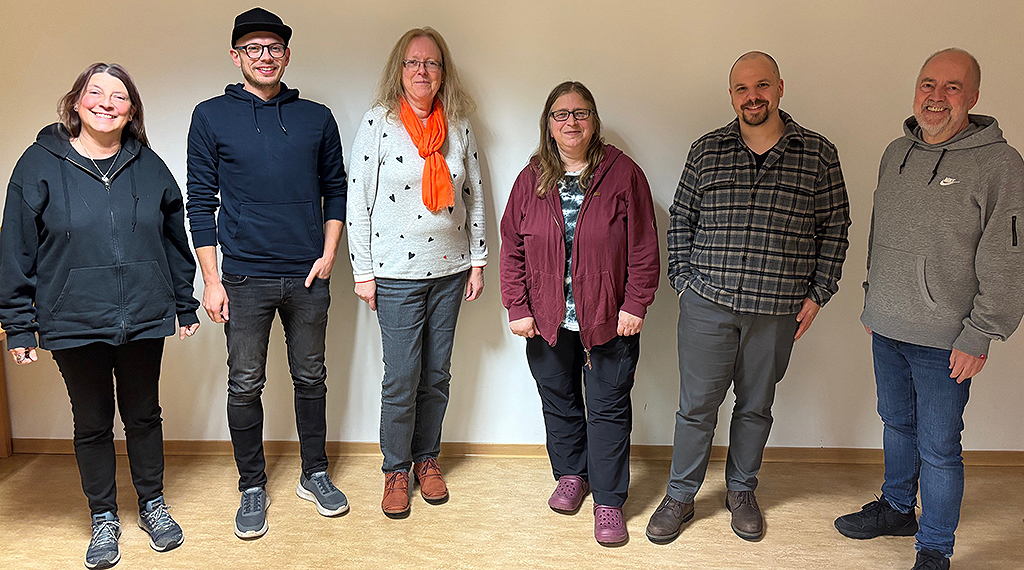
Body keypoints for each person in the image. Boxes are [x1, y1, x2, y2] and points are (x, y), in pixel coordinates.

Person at [0, 62, 200, 569]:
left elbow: (174, 240)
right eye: (95, 93)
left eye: (119, 96)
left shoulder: (149, 165)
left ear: (131, 111)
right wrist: (19, 324)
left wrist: (184, 302)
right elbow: (16, 248)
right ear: (76, 102)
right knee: (91, 422)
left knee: (144, 415)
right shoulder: (38, 163)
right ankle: (104, 516)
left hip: (144, 315)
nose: (106, 103)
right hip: (73, 319)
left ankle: (152, 505)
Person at [647, 51, 851, 544]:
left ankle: (741, 490)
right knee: (696, 408)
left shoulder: (817, 154)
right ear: (731, 94)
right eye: (742, 88)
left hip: (777, 309)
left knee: (755, 407)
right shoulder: (707, 150)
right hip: (707, 303)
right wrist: (683, 280)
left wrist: (819, 292)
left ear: (780, 87)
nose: (752, 96)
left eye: (762, 85)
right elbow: (682, 218)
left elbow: (835, 228)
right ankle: (680, 495)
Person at [834, 48, 1024, 570]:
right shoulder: (896, 151)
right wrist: (874, 298)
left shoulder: (1000, 165)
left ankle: (935, 547)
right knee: (896, 424)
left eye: (952, 87)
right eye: (927, 84)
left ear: (974, 96)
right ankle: (898, 509)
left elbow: (1008, 257)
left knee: (939, 447)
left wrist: (980, 334)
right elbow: (881, 233)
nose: (936, 97)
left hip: (947, 339)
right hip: (887, 325)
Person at [185, 7, 349, 539]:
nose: (264, 56)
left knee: (311, 377)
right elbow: (200, 201)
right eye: (253, 48)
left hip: (308, 276)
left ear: (286, 55)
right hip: (243, 278)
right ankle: (252, 485)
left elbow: (336, 189)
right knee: (244, 383)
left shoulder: (317, 118)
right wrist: (212, 280)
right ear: (236, 56)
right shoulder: (210, 116)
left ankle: (314, 474)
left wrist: (329, 254)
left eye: (273, 48)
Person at [499, 81, 660, 546]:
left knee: (608, 409)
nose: (571, 122)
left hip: (609, 318)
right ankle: (572, 475)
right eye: (561, 114)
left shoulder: (623, 174)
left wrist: (635, 303)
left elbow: (644, 246)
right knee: (560, 400)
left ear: (594, 120)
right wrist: (517, 305)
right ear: (549, 125)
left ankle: (608, 501)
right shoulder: (531, 178)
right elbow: (512, 245)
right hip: (546, 319)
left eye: (581, 113)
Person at [347, 26, 486, 519]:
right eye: (413, 62)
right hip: (395, 275)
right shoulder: (378, 122)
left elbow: (474, 195)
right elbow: (357, 200)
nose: (422, 70)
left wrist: (478, 260)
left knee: (436, 375)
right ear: (399, 70)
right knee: (402, 377)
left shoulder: (459, 125)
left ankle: (427, 459)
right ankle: (395, 469)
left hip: (450, 270)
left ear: (442, 72)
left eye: (431, 62)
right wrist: (362, 271)